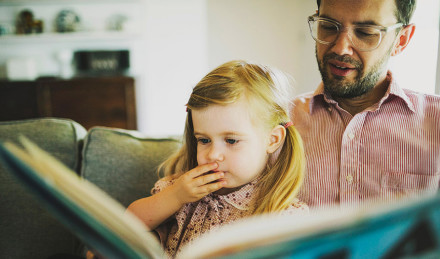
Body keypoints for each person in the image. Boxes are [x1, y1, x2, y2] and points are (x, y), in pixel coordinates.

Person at [127, 60, 308, 257]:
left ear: (272, 140)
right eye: (204, 140)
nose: (212, 154)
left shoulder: (283, 216)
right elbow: (126, 227)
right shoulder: (179, 190)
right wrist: (176, 196)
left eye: (231, 140)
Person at [292, 0, 440, 209]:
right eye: (328, 26)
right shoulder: (278, 124)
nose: (341, 48)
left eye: (366, 32)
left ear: (402, 40)